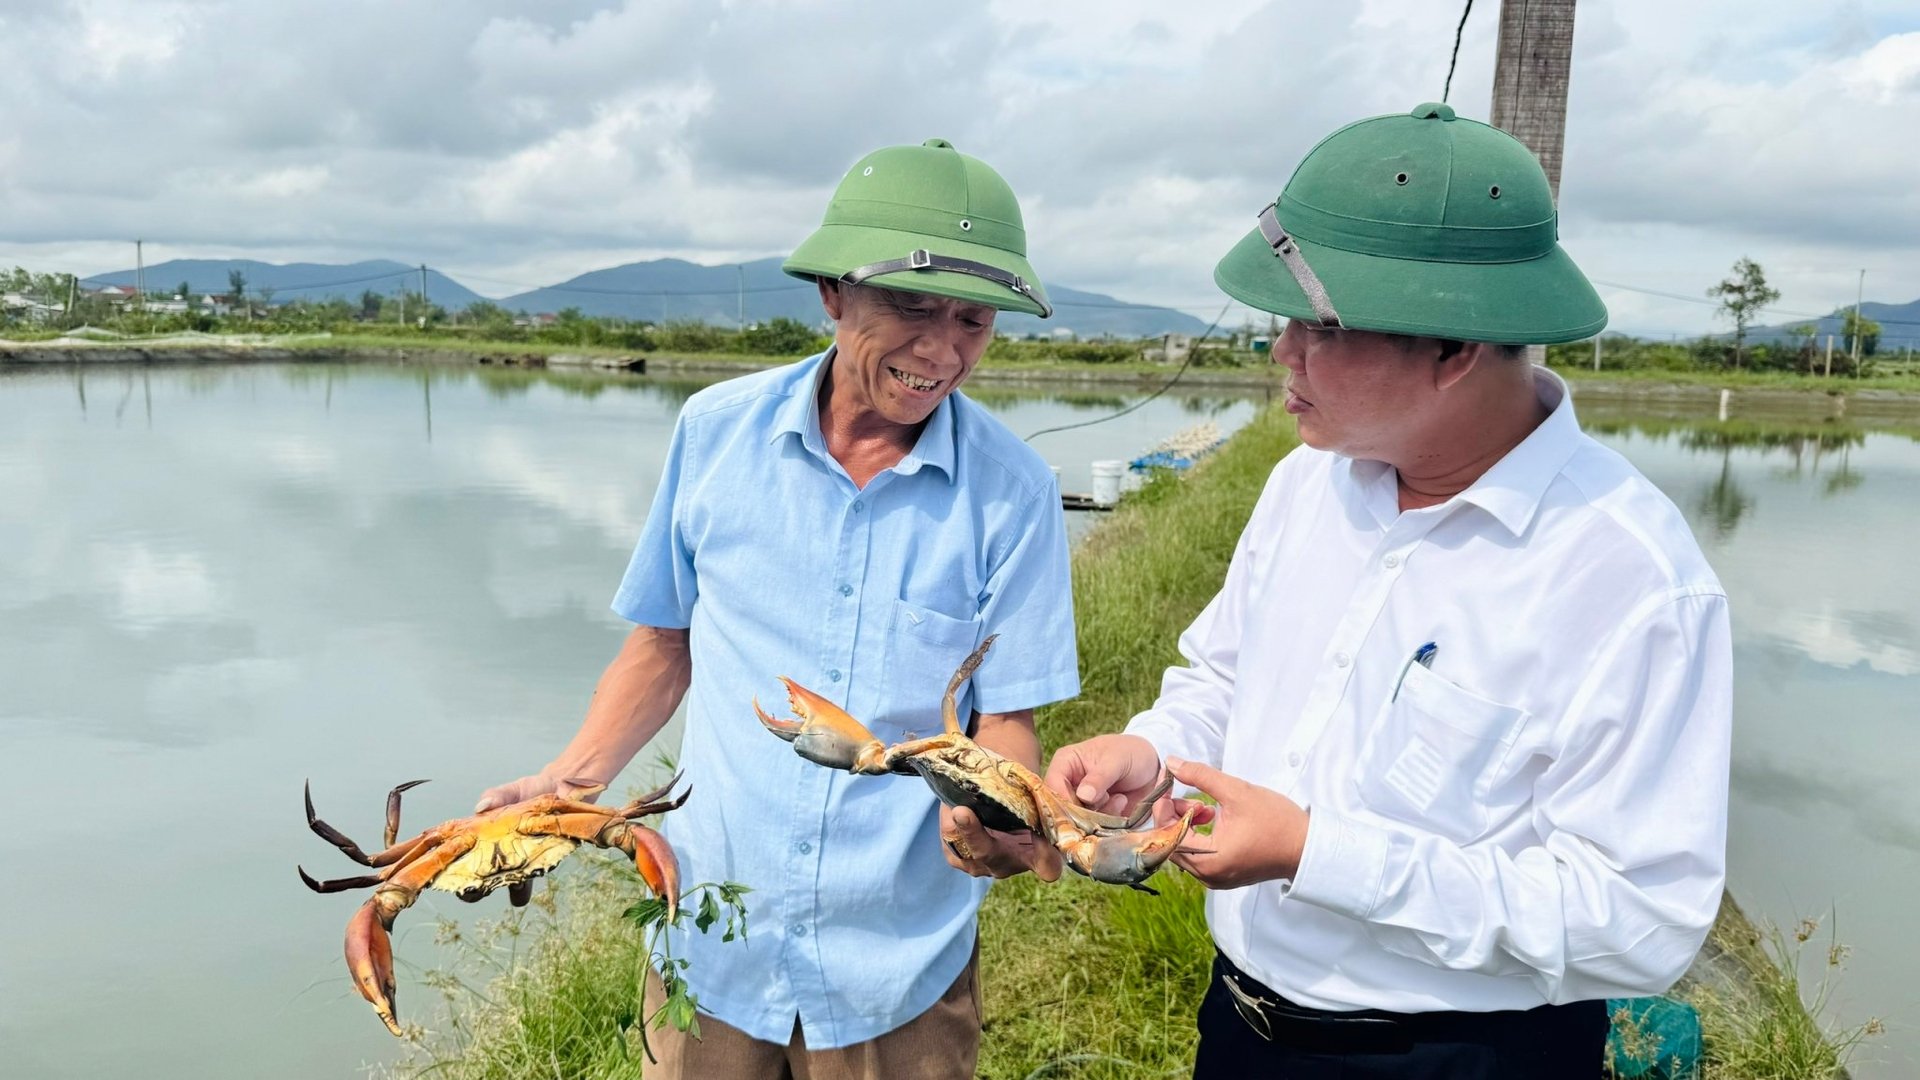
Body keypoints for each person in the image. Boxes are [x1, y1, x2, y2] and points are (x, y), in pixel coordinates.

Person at [1046, 102, 1732, 1078]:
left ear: (1455, 349)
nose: (1279, 353)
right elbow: (1226, 676)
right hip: (1242, 1027)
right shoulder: (1309, 482)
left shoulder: (1630, 581)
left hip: (1463, 1055)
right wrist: (1153, 752)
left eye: (1317, 326)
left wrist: (1314, 855)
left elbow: (1639, 922)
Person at [477, 138, 1079, 1079]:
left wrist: (998, 818)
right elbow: (664, 641)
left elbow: (1007, 720)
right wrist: (574, 776)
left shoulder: (1015, 492)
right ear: (834, 292)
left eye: (973, 319)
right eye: (912, 306)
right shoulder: (715, 434)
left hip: (898, 962)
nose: (942, 349)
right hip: (713, 940)